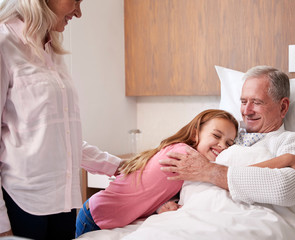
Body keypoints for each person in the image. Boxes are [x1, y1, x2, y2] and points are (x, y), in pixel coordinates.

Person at [0, 0, 124, 239]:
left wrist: (120, 166)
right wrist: (2, 226)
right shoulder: (4, 44)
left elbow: (60, 139)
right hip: (22, 204)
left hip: (64, 202)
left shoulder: (51, 49)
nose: (78, 12)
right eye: (75, 1)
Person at [160, 65, 295, 207]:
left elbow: (283, 189)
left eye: (256, 102)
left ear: (283, 107)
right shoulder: (225, 135)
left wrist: (209, 171)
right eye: (243, 102)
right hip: (194, 213)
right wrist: (166, 204)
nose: (246, 111)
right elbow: (183, 171)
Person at [75, 109, 239, 238]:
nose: (222, 145)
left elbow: (156, 187)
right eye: (216, 135)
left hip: (106, 215)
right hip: (95, 216)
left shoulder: (185, 159)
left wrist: (161, 206)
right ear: (195, 134)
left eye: (229, 143)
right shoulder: (183, 154)